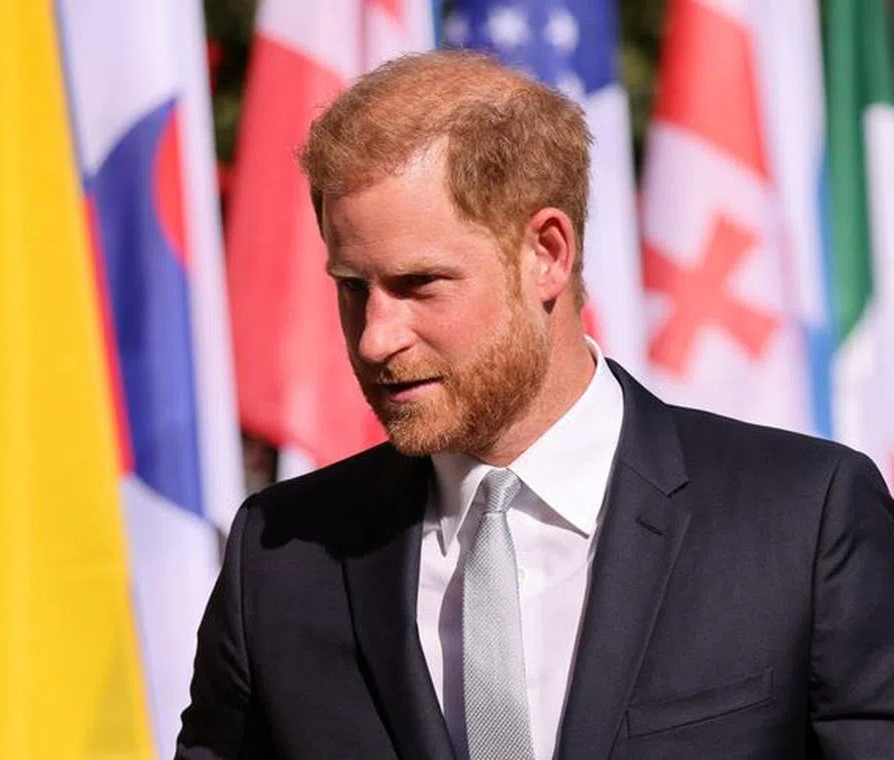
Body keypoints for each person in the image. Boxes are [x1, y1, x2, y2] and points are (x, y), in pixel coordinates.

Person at [176, 51, 894, 760]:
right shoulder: (280, 555)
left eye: (420, 283)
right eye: (353, 287)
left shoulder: (801, 519)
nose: (375, 338)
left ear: (547, 252)